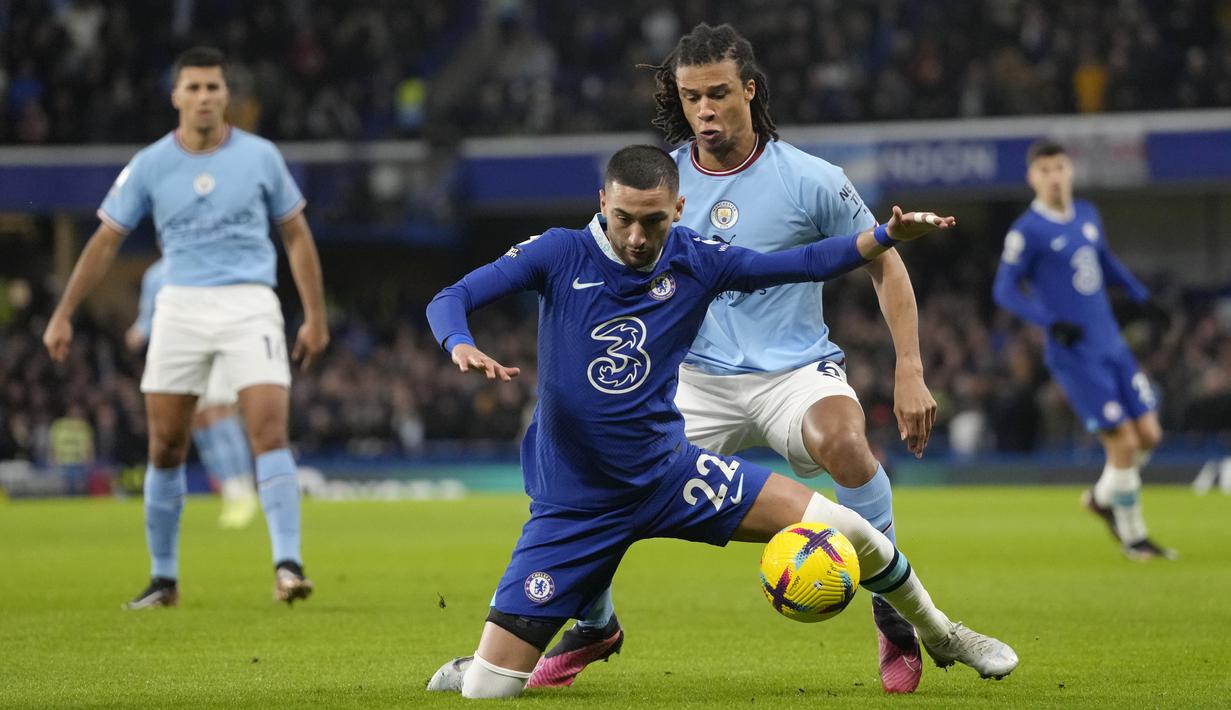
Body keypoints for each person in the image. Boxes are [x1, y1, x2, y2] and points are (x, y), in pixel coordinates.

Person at [424, 145, 1015, 700]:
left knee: (849, 527)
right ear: (601, 203)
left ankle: (940, 633)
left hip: (670, 475)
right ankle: (501, 659)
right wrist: (459, 343)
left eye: (653, 221)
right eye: (624, 217)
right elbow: (451, 297)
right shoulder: (559, 253)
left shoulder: (697, 260)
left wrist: (884, 235)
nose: (636, 236)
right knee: (488, 692)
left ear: (678, 209)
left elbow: (804, 262)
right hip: (576, 505)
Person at [532, 23, 936, 694]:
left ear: (748, 89)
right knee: (590, 481)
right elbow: (591, 266)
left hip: (792, 372)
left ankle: (890, 612)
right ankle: (594, 624)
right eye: (691, 99)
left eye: (718, 94)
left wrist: (909, 367)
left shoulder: (811, 180)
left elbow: (882, 262)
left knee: (842, 441)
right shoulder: (660, 184)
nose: (705, 112)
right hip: (691, 380)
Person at [42, 46, 329, 608]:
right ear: (176, 96)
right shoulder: (151, 164)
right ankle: (164, 579)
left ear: (227, 96)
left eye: (213, 88)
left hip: (250, 303)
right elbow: (104, 242)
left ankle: (288, 566)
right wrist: (63, 312)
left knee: (269, 429)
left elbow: (296, 235)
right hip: (180, 306)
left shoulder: (261, 156)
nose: (204, 98)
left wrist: (315, 317)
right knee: (167, 444)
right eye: (193, 88)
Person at [993, 139, 1175, 561]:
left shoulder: (1088, 215)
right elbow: (1003, 289)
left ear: (1070, 171)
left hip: (1111, 342)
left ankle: (1100, 497)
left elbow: (1105, 261)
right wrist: (1050, 323)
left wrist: (1142, 297)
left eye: (1059, 168)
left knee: (1150, 434)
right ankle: (1135, 539)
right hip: (1074, 354)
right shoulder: (1027, 231)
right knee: (1125, 443)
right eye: (1045, 170)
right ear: (1031, 177)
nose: (1054, 177)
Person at [127, 258, 258, 530]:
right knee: (197, 419)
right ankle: (227, 487)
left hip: (214, 346)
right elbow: (149, 314)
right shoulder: (156, 274)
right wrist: (139, 332)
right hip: (180, 354)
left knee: (219, 412)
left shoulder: (205, 261)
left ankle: (242, 488)